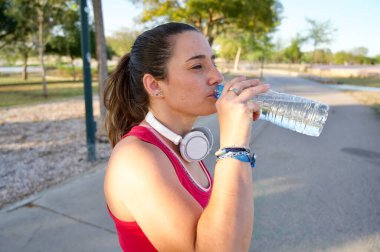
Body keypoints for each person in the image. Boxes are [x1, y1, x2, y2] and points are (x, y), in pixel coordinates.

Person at [103, 22, 269, 251]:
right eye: (198, 66)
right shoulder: (135, 158)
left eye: (214, 62)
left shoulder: (181, 145)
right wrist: (234, 146)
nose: (217, 76)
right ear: (154, 85)